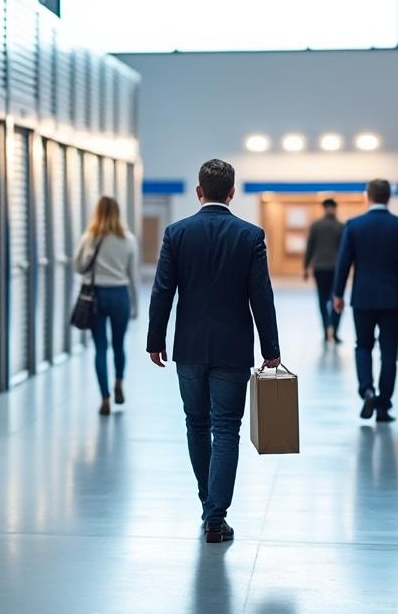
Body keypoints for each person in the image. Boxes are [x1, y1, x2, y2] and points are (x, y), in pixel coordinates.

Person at [147, 159, 281, 544]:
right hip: (233, 349)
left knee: (196, 423)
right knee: (226, 429)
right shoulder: (250, 235)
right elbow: (262, 296)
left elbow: (162, 291)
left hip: (188, 347)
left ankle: (209, 503)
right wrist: (270, 348)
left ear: (198, 191)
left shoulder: (177, 233)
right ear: (233, 192)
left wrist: (156, 340)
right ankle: (215, 517)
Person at [333, 178, 398, 423]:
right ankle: (383, 406)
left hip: (363, 298)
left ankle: (367, 390)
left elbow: (343, 263)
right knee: (389, 352)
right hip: (392, 299)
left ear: (367, 196)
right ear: (389, 197)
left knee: (363, 346)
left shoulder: (354, 225)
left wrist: (338, 294)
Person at [75, 196, 139, 416]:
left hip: (95, 296)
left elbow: (78, 267)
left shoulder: (90, 237)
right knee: (119, 344)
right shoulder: (128, 239)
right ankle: (119, 381)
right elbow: (133, 275)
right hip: (120, 295)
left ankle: (105, 397)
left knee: (100, 347)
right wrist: (135, 305)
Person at [303, 198, 345, 343]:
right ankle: (334, 329)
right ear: (334, 208)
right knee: (336, 299)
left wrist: (306, 267)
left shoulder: (316, 226)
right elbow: (346, 251)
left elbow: (310, 247)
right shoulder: (341, 226)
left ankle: (327, 328)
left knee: (322, 300)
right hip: (336, 269)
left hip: (320, 268)